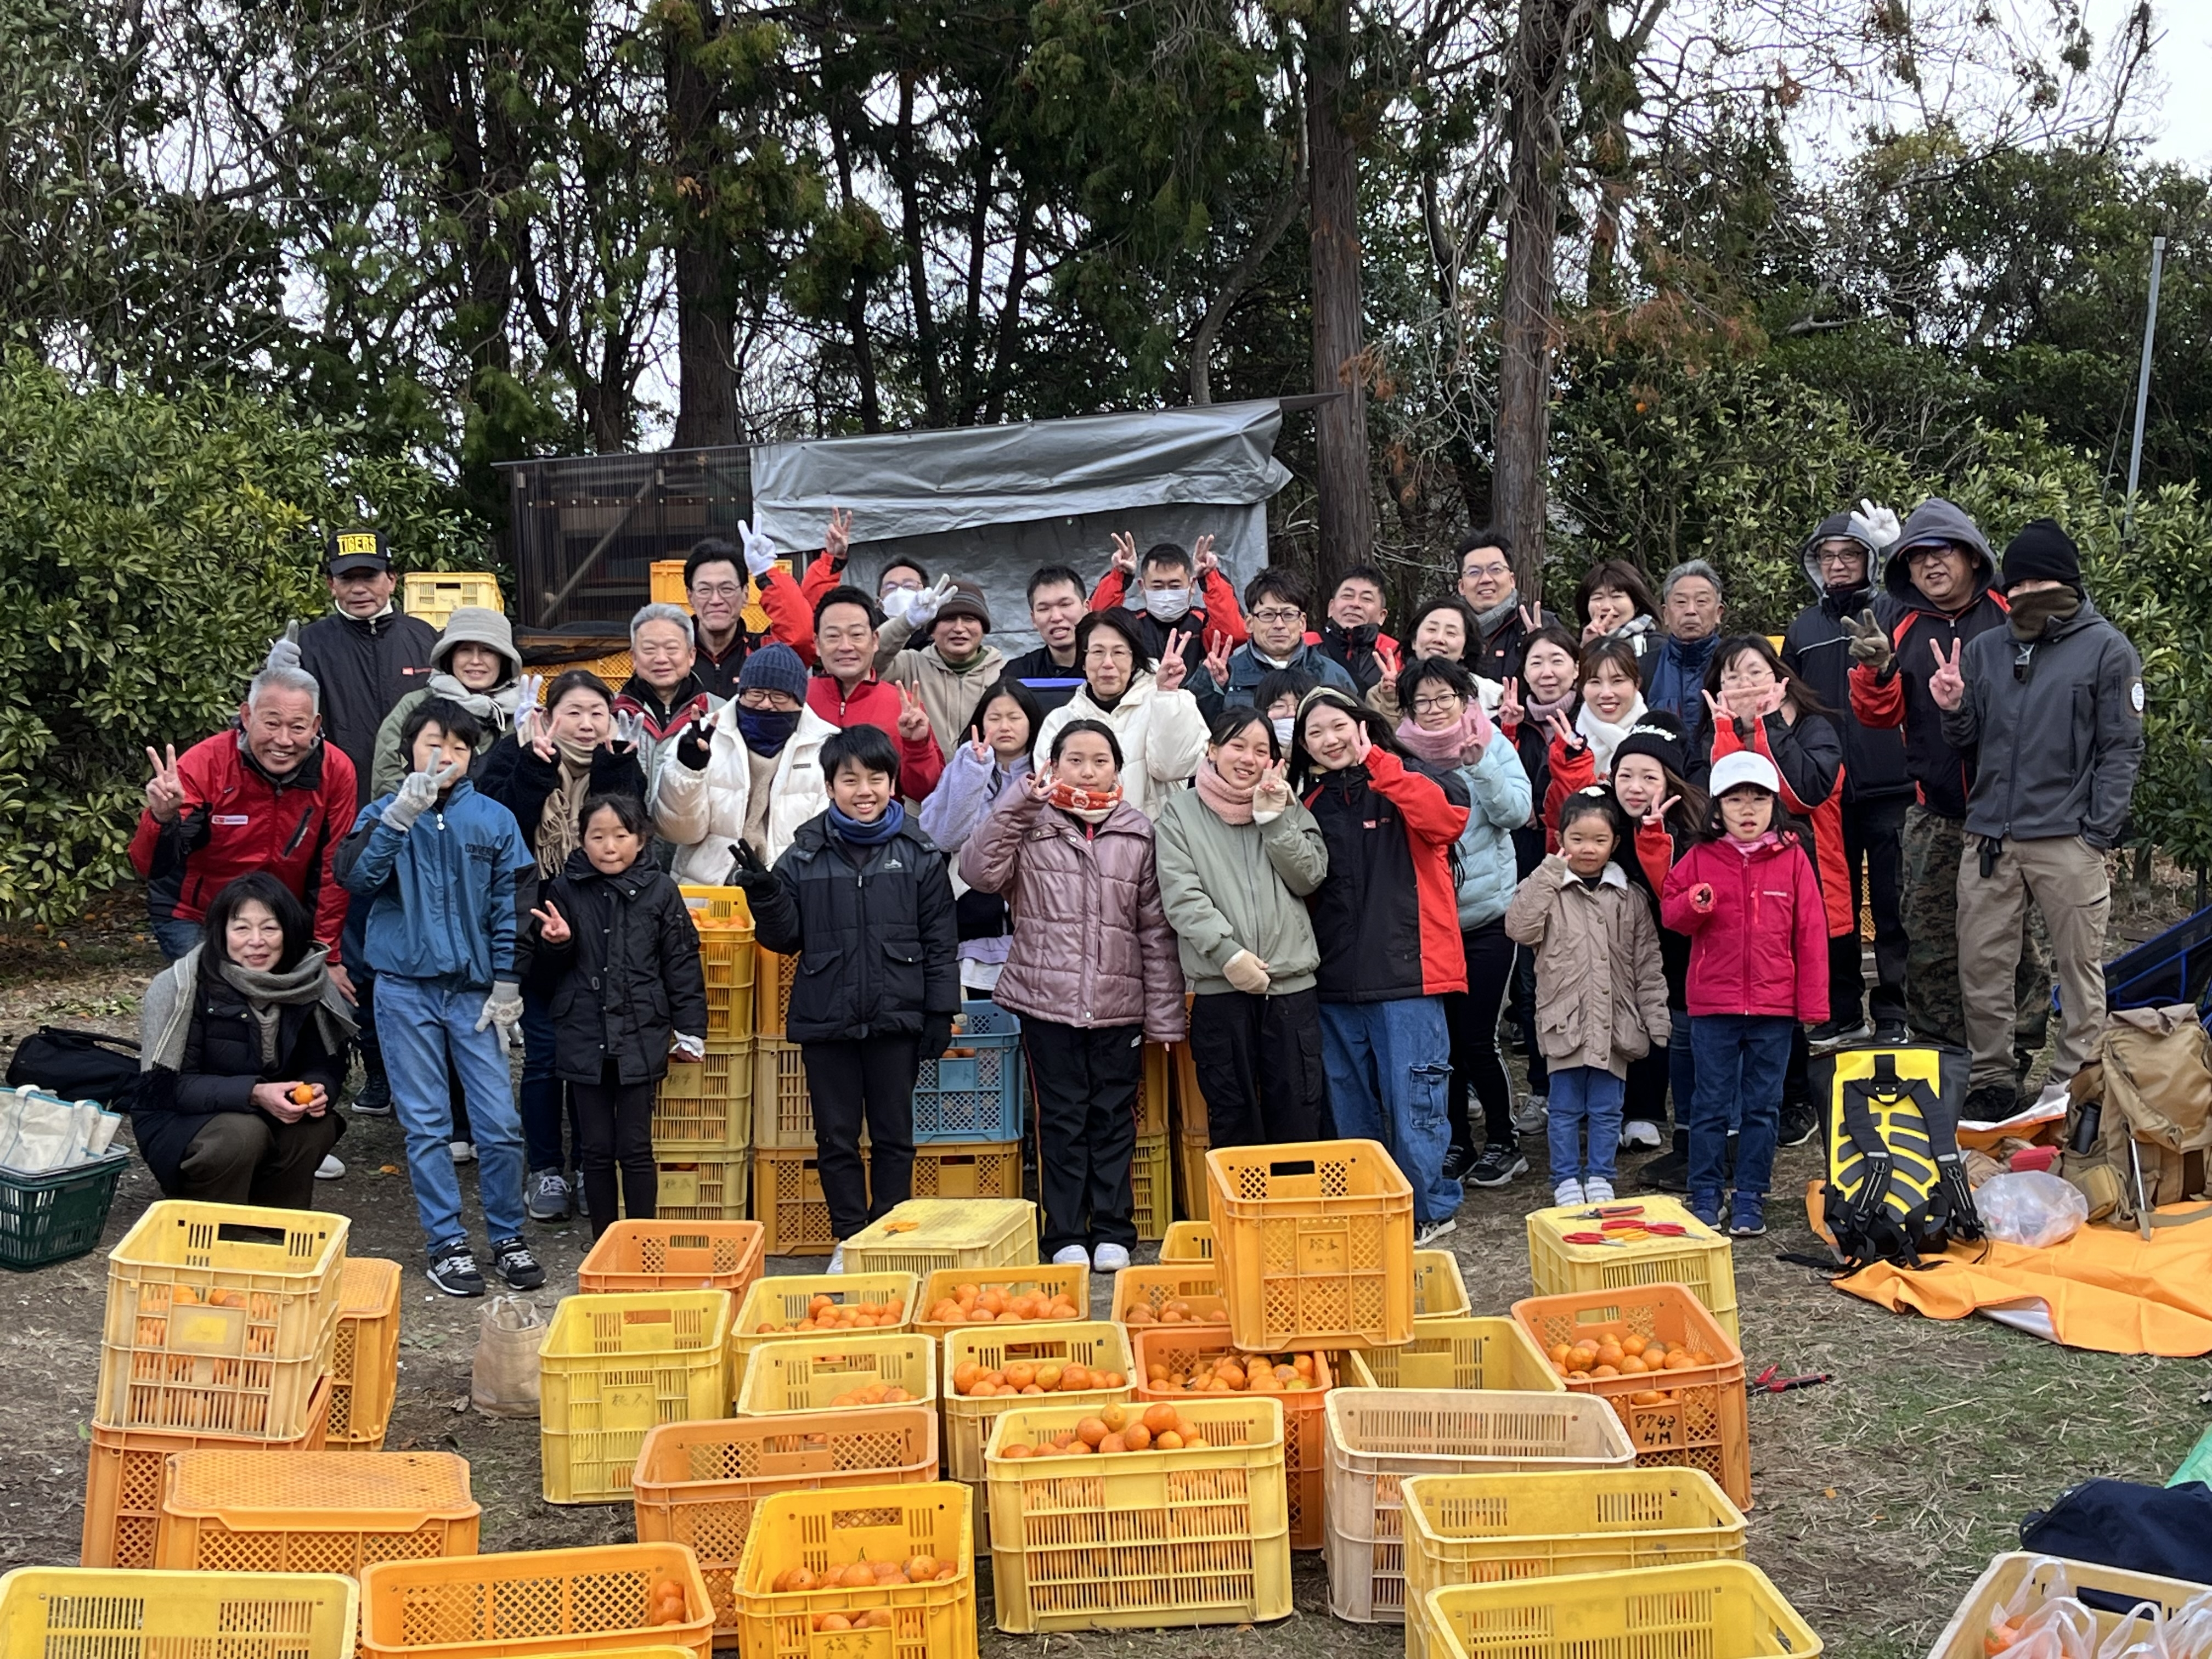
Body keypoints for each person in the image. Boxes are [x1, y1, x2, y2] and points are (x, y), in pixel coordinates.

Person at [1933, 519, 2144, 1118]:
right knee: (1983, 964)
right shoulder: (1985, 649)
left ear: (2070, 582)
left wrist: (2097, 833)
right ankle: (1992, 1078)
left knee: (2079, 966)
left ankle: (2075, 1079)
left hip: (2067, 837)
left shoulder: (2108, 649)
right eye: (2018, 583)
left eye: (2043, 580)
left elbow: (2121, 747)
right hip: (1990, 836)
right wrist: (1951, 706)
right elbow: (1968, 741)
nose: (2029, 592)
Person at [336, 697, 543, 1295]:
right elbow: (356, 879)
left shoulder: (494, 821)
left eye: (458, 746)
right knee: (426, 1125)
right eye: (433, 743)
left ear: (472, 755)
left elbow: (513, 903)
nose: (445, 755)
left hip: (474, 993)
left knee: (499, 1125)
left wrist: (508, 982)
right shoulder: (382, 812)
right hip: (404, 989)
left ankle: (506, 1234)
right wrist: (400, 818)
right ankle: (446, 1243)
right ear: (409, 751)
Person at [963, 719, 1186, 1269]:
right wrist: (1019, 801)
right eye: (1075, 760)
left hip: (1119, 1005)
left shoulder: (1139, 832)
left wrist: (1162, 1018)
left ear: (1117, 768)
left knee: (1113, 1118)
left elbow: (1155, 931)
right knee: (1059, 1120)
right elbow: (979, 871)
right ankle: (1064, 1233)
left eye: (1100, 761)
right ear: (1053, 765)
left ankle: (1113, 1229)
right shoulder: (1031, 823)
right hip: (1048, 1000)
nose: (1088, 771)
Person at [740, 725, 961, 1272]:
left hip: (896, 1016)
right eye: (850, 779)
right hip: (827, 1016)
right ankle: (847, 1236)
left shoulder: (919, 852)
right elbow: (783, 937)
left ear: (892, 783)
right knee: (835, 1137)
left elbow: (940, 939)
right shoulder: (805, 853)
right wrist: (764, 893)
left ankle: (887, 1235)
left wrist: (939, 1010)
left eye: (877, 778)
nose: (864, 790)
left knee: (894, 1135)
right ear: (831, 785)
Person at [1849, 497, 2051, 1067]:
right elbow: (1877, 715)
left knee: (2013, 941)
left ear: (1970, 554)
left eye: (1941, 553)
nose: (1929, 567)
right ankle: (1941, 1052)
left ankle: (2016, 1052)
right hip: (1933, 808)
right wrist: (1876, 671)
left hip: (2011, 811)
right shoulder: (1896, 619)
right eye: (1915, 559)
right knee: (1930, 939)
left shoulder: (2009, 610)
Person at [1294, 687, 1469, 1245]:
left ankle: (1430, 1205)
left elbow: (1445, 821)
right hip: (1333, 978)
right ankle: (1367, 1205)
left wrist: (1378, 764)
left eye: (1338, 725)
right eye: (1314, 732)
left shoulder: (1410, 778)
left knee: (1416, 1098)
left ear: (1362, 723)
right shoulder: (1306, 803)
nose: (1330, 738)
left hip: (1409, 974)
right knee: (1348, 1103)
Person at [475, 670, 649, 1222]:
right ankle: (546, 1167)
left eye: (597, 712)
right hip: (538, 927)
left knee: (596, 1058)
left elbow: (628, 834)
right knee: (547, 1056)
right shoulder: (515, 753)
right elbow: (502, 825)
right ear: (550, 717)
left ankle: (585, 1164)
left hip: (605, 932)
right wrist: (534, 766)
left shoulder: (618, 757)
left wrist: (618, 769)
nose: (587, 722)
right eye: (573, 711)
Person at [524, 793, 709, 1239]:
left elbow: (681, 962)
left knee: (636, 1147)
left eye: (621, 836)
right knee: (596, 1148)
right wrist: (557, 942)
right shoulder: (566, 890)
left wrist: (690, 1030)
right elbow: (547, 973)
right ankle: (605, 1242)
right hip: (583, 1031)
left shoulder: (661, 890)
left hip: (641, 1031)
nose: (610, 847)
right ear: (582, 840)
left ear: (642, 839)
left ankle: (642, 1238)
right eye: (598, 837)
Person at [1662, 750, 1828, 1237]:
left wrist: (1813, 1004)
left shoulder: (1794, 859)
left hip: (1775, 1010)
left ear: (1774, 806)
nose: (1748, 809)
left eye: (1759, 799)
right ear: (1718, 809)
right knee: (1710, 1104)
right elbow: (1672, 916)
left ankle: (1752, 1195)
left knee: (1763, 1106)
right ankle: (1705, 1193)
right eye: (1737, 800)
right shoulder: (1699, 858)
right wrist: (1694, 904)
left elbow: (1811, 933)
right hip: (1714, 1006)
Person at [1696, 635, 1848, 1150]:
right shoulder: (1709, 728)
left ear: (1780, 676)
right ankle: (1737, 1106)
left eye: (1755, 672)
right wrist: (1724, 730)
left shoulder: (1812, 726)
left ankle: (1795, 1098)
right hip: (1725, 882)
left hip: (1795, 874)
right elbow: (1703, 803)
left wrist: (1769, 727)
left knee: (1785, 982)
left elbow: (1804, 791)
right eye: (1731, 675)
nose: (1743, 685)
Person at [1154, 707, 1330, 1147]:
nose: (1248, 758)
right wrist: (1227, 953)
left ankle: (1294, 1213)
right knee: (1232, 1116)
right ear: (1212, 750)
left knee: (1298, 1114)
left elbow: (1309, 876)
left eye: (1261, 750)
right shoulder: (1180, 814)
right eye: (1237, 745)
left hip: (1290, 987)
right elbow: (1182, 895)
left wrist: (1274, 821)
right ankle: (1243, 1215)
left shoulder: (1288, 806)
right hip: (1221, 989)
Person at [1392, 657, 1532, 1189]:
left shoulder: (1488, 741)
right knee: (1440, 1041)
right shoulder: (1401, 753)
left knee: (1476, 1037)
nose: (1433, 710)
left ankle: (1504, 1139)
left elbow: (1517, 813)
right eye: (1421, 701)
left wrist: (1479, 766)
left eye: (1443, 698)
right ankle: (1456, 1142)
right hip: (1428, 921)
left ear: (1464, 699)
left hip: (1487, 918)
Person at [132, 873, 352, 1208]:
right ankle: (209, 1220)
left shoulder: (307, 982)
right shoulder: (185, 987)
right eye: (241, 928)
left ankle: (277, 1223)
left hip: (269, 1111)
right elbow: (167, 1088)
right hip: (183, 1119)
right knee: (242, 1133)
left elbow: (325, 1064)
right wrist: (255, 1093)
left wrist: (318, 1089)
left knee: (313, 1127)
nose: (256, 941)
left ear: (288, 932)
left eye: (269, 928)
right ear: (222, 933)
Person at [1783, 505, 1912, 1049]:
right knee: (1833, 907)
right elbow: (1787, 700)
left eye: (1849, 554)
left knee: (1892, 906)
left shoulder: (1893, 608)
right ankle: (1841, 1011)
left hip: (1891, 783)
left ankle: (1895, 1014)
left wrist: (1901, 545)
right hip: (1827, 790)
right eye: (1827, 556)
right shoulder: (1804, 628)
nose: (1837, 565)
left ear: (1869, 559)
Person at [134, 665, 357, 980]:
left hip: (279, 917)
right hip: (198, 914)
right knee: (222, 995)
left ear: (315, 726)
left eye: (297, 727)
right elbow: (150, 866)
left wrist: (327, 953)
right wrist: (162, 817)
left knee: (320, 1004)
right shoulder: (206, 763)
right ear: (247, 717)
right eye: (271, 723)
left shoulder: (336, 770)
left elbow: (334, 869)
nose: (283, 740)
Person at [1505, 789, 1667, 1207]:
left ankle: (1600, 1174)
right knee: (1563, 1109)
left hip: (1615, 1022)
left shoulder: (1630, 896)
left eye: (1599, 840)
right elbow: (1520, 928)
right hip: (1565, 1020)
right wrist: (1548, 872)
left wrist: (1656, 1016)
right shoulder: (1546, 887)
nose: (1588, 849)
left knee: (1607, 1107)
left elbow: (1646, 961)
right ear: (1562, 837)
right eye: (1577, 839)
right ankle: (1564, 1179)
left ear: (1615, 842)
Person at [1604, 716, 1706, 1169]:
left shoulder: (1691, 826)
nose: (1635, 787)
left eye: (1649, 777)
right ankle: (1635, 1110)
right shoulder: (1606, 818)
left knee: (1669, 1023)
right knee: (1630, 1022)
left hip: (1680, 947)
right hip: (1624, 945)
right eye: (1625, 775)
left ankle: (1676, 1118)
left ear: (1670, 782)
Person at [652, 643, 835, 884]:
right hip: (707, 892)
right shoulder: (702, 736)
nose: (766, 704)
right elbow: (679, 832)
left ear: (800, 700)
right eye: (756, 693)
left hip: (792, 890)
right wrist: (688, 771)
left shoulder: (827, 746)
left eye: (779, 696)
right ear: (742, 693)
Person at [1496, 623, 1582, 1127]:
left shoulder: (1592, 713)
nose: (1546, 672)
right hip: (1529, 866)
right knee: (1533, 983)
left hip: (1586, 864)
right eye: (1536, 662)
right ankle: (1544, 1088)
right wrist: (1508, 732)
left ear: (1576, 666)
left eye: (1557, 660)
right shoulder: (1514, 722)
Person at [283, 530, 438, 809]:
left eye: (369, 577)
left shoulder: (426, 638)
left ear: (391, 580)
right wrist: (273, 678)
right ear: (332, 584)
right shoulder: (308, 644)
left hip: (419, 799)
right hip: (335, 800)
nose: (358, 589)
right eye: (347, 578)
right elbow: (267, 721)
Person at [917, 678, 1039, 996]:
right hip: (972, 911)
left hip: (1034, 907)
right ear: (980, 723)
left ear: (1031, 722)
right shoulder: (966, 764)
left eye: (1014, 717)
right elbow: (943, 837)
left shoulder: (1047, 770)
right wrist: (975, 772)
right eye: (994, 718)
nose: (1005, 726)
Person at [1033, 611, 1209, 817]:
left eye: (1119, 652)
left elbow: (1173, 769)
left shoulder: (1171, 700)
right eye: (1098, 652)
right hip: (1078, 843)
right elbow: (1050, 791)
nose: (1108, 663)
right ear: (1083, 660)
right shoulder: (1060, 720)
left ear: (1134, 660)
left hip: (1154, 841)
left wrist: (1168, 695)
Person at [371, 608, 528, 796]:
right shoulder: (417, 704)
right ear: (449, 656)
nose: (476, 660)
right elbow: (387, 771)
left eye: (488, 651)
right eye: (465, 650)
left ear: (503, 660)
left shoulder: (521, 713)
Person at [806, 586, 945, 799]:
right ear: (817, 644)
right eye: (833, 636)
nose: (845, 646)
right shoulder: (799, 699)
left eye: (856, 635)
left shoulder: (903, 705)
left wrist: (917, 745)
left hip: (877, 829)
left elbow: (924, 791)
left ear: (875, 640)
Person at [1090, 533, 1248, 686]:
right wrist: (1119, 577)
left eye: (1175, 586)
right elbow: (1096, 625)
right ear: (1142, 587)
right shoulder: (1132, 625)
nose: (1166, 594)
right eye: (1157, 587)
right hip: (1141, 706)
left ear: (1192, 586)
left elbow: (1234, 634)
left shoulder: (1203, 622)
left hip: (1197, 707)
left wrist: (1210, 578)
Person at [871, 579, 1008, 756]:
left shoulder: (1004, 671)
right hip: (924, 777)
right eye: (949, 619)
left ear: (983, 628)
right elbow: (868, 660)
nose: (959, 628)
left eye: (969, 619)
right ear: (932, 629)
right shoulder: (909, 665)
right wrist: (907, 621)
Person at [686, 523, 819, 702]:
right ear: (690, 596)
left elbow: (801, 639)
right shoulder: (676, 655)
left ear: (745, 595)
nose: (716, 600)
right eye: (704, 590)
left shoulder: (761, 651)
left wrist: (766, 572)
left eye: (727, 589)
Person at [1204, 569, 1357, 713]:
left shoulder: (1332, 674)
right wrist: (1209, 684)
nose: (1279, 625)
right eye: (1268, 615)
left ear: (1302, 622)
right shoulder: (1226, 673)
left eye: (1289, 615)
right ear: (1249, 623)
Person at [1540, 636, 1649, 831]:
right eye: (1595, 682)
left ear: (1637, 683)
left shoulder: (1658, 738)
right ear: (1582, 687)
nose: (1606, 693)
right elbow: (1556, 822)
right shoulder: (1565, 742)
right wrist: (1571, 766)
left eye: (1618, 681)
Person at [614, 602, 715, 786]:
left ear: (691, 655)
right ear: (634, 658)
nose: (661, 659)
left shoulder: (719, 711)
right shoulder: (610, 712)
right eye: (649, 649)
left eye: (671, 648)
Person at [1645, 560, 1726, 755]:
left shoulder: (1735, 664)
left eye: (1702, 601)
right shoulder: (1645, 668)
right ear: (1665, 614)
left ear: (1718, 613)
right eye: (1681, 602)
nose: (1691, 610)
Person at [1456, 528, 1555, 681]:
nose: (1486, 579)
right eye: (1474, 572)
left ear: (1512, 580)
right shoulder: (1450, 631)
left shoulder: (1541, 623)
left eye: (1495, 569)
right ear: (1462, 586)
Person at [1000, 565, 1094, 715]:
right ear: (1034, 619)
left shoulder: (1108, 667)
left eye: (1065, 605)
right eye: (1044, 609)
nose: (1056, 617)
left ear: (1087, 608)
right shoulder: (1018, 673)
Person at [1319, 565, 1398, 693]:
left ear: (1382, 616)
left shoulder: (1394, 652)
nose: (1355, 604)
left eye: (1366, 599)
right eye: (1347, 596)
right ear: (1331, 608)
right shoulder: (1305, 645)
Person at [1576, 560, 1660, 658]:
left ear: (1636, 603)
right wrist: (1587, 648)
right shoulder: (1572, 651)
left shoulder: (1656, 647)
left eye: (1616, 596)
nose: (1607, 607)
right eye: (1598, 598)